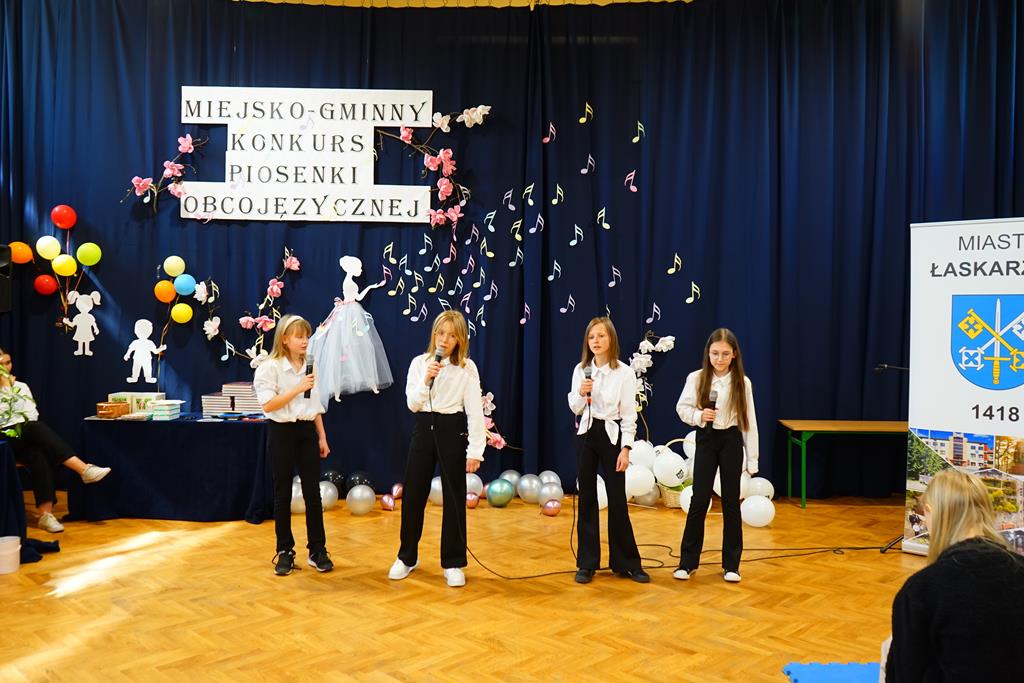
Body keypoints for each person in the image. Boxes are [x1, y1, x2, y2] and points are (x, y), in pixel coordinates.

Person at [885, 469, 1024, 681]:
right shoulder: (1019, 568)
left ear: (930, 512)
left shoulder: (922, 589)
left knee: (890, 647)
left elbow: (905, 674)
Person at [388, 310, 485, 588]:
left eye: (452, 335)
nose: (445, 339)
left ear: (460, 339)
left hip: (452, 429)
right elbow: (412, 404)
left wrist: (475, 451)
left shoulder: (467, 367)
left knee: (454, 496)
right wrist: (426, 380)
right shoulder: (420, 363)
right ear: (433, 334)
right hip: (423, 428)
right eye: (441, 333)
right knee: (414, 494)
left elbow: (474, 411)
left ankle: (453, 562)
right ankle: (407, 556)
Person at [567, 316, 649, 584]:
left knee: (616, 499)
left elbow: (629, 414)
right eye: (592, 337)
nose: (596, 341)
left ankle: (626, 563)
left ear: (611, 339)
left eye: (601, 336)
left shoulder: (624, 372)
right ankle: (587, 563)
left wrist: (626, 448)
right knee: (587, 498)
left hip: (612, 435)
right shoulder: (581, 370)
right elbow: (574, 407)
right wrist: (581, 392)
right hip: (586, 433)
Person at [674, 328, 758, 583]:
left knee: (731, 501)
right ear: (707, 354)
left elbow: (749, 422)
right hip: (707, 439)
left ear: (734, 355)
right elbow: (682, 408)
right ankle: (687, 563)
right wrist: (700, 415)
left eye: (725, 354)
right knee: (699, 500)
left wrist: (752, 458)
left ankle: (731, 565)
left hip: (731, 440)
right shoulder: (697, 378)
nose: (719, 359)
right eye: (715, 353)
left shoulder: (742, 383)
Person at [253, 315, 333, 576]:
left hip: (307, 430)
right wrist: (298, 388)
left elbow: (314, 404)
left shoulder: (311, 365)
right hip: (281, 431)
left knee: (313, 492)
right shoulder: (270, 367)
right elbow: (268, 405)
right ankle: (285, 550)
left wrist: (322, 436)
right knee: (283, 492)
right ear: (285, 339)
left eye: (306, 336)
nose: (305, 341)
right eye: (299, 336)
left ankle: (317, 550)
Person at [0, 347, 110, 533]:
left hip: (22, 436)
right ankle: (83, 469)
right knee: (33, 429)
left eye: (8, 363)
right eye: (1, 365)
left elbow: (31, 415)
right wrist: (6, 390)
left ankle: (45, 515)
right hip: (3, 439)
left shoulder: (22, 387)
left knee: (37, 452)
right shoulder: (8, 388)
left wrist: (13, 401)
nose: (6, 368)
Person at [307, 255, 393, 407]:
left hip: (350, 311)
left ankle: (367, 382)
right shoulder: (348, 282)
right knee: (345, 346)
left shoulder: (349, 281)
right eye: (358, 268)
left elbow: (357, 297)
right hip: (349, 313)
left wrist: (370, 287)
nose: (359, 271)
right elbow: (356, 297)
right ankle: (340, 387)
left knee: (357, 345)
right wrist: (370, 287)